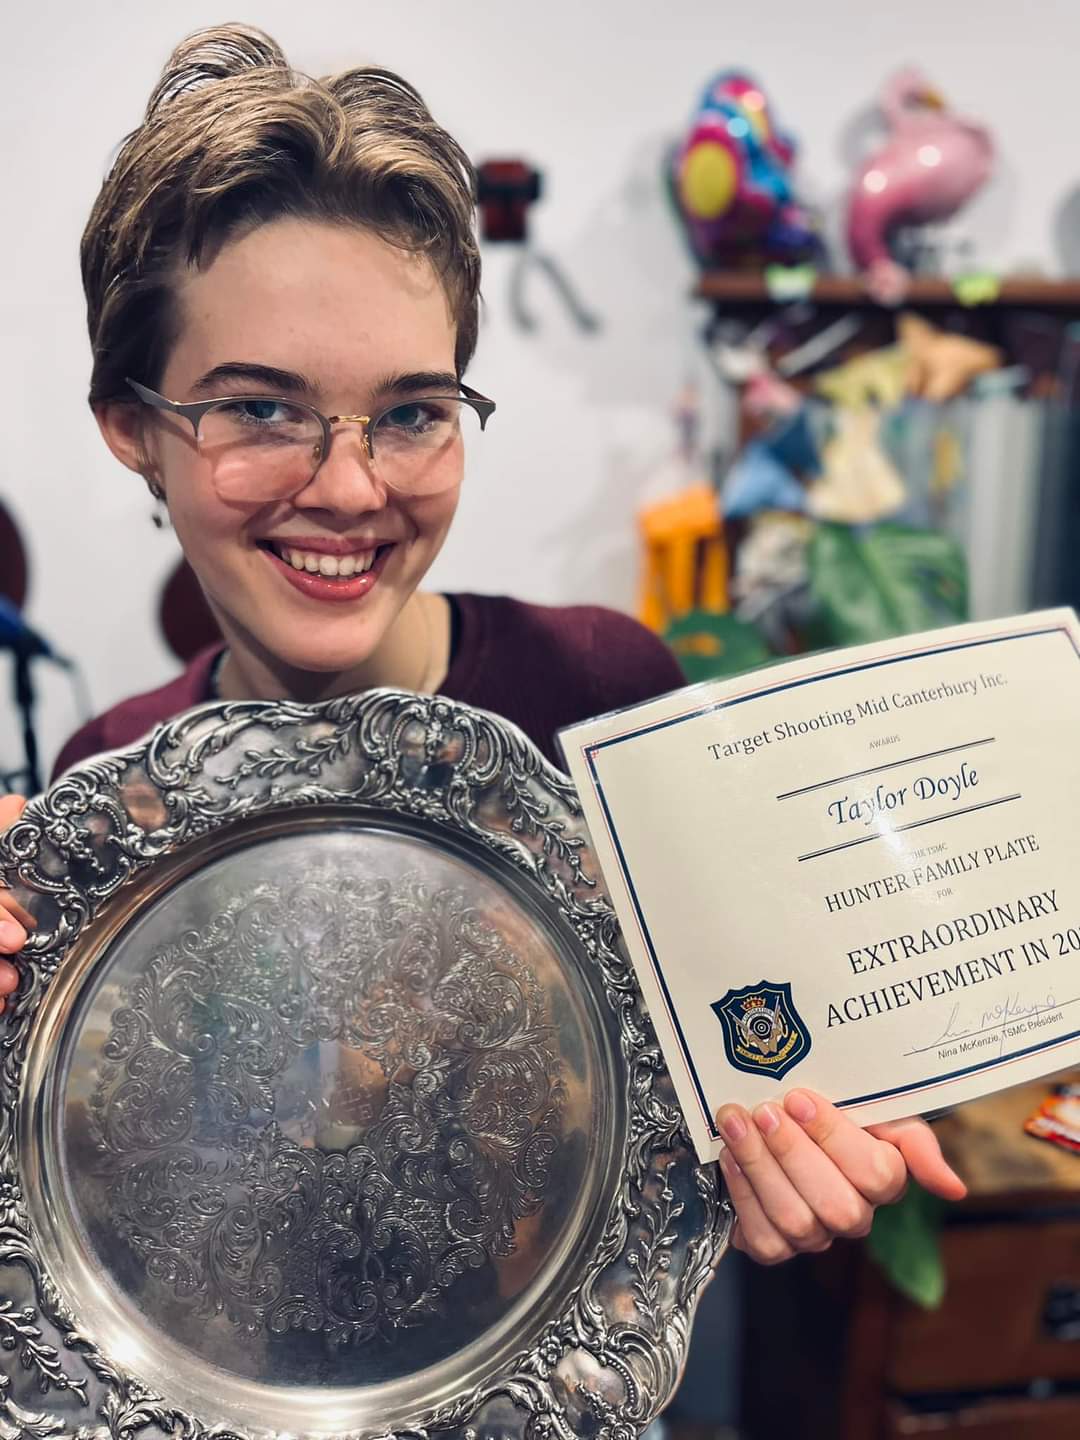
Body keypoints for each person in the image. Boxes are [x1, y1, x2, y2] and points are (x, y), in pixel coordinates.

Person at [0, 23, 964, 1272]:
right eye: (261, 408)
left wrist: (799, 1135)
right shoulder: (115, 777)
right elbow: (112, 1191)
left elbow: (750, 1061)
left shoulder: (600, 699)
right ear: (133, 427)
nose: (350, 489)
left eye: (411, 411)